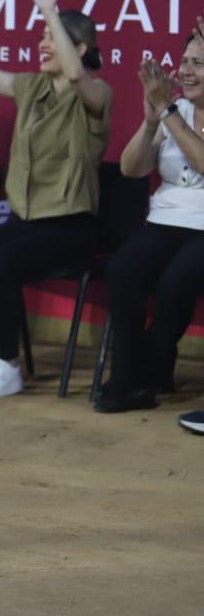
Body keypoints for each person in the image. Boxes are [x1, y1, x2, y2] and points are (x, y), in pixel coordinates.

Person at [0, 0, 111, 399]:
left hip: (72, 228)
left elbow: (75, 75)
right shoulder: (31, 87)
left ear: (78, 47)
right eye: (41, 35)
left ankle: (8, 363)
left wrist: (50, 11)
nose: (42, 43)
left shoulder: (97, 94)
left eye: (51, 37)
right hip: (26, 223)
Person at [95, 32, 204, 413]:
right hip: (164, 220)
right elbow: (131, 169)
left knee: (176, 282)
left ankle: (149, 368)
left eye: (199, 64)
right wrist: (148, 122)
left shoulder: (173, 112)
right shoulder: (174, 110)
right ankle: (129, 379)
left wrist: (166, 112)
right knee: (123, 270)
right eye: (185, 61)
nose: (187, 72)